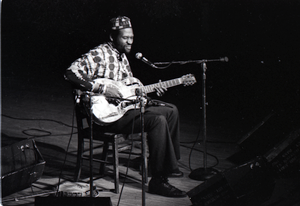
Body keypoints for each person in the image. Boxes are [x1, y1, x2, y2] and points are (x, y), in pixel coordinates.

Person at [65, 16, 186, 198]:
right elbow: (70, 73)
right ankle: (158, 181)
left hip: (123, 110)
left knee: (171, 111)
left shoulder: (122, 58)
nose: (130, 41)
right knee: (157, 121)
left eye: (132, 37)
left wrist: (148, 92)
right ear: (113, 37)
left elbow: (128, 92)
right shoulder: (99, 54)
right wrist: (102, 88)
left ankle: (167, 165)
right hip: (106, 116)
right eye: (125, 37)